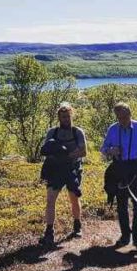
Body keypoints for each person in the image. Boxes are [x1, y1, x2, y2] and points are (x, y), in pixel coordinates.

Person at [101, 102, 137, 250]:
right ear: (117, 117)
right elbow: (103, 149)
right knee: (121, 204)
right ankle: (125, 235)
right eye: (120, 117)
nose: (123, 120)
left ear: (130, 115)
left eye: (125, 117)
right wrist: (112, 151)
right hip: (119, 168)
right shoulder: (113, 129)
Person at [39, 103, 87, 246]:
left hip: (72, 169)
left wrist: (68, 155)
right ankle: (49, 232)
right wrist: (57, 155)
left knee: (74, 198)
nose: (66, 119)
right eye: (63, 117)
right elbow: (46, 150)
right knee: (50, 200)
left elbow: (84, 152)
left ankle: (77, 226)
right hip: (56, 170)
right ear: (59, 118)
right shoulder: (52, 133)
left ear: (71, 116)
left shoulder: (77, 132)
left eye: (67, 116)